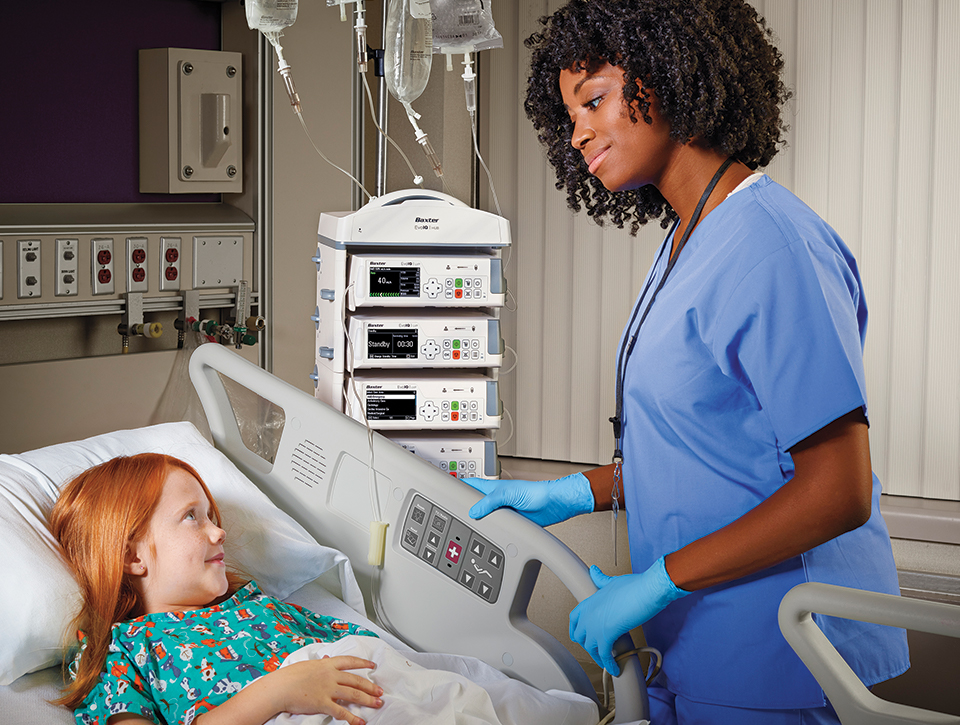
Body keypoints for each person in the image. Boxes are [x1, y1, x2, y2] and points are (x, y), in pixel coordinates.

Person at [466, 1, 909, 723]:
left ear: (669, 73)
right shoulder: (685, 242)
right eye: (569, 114)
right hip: (695, 645)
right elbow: (705, 452)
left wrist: (658, 582)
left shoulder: (772, 247)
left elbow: (839, 489)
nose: (577, 132)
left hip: (779, 654)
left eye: (595, 100)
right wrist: (574, 492)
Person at [51, 453, 384, 725]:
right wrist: (275, 693)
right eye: (191, 517)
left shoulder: (258, 605)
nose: (219, 532)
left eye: (211, 516)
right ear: (132, 555)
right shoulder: (118, 652)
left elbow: (367, 651)